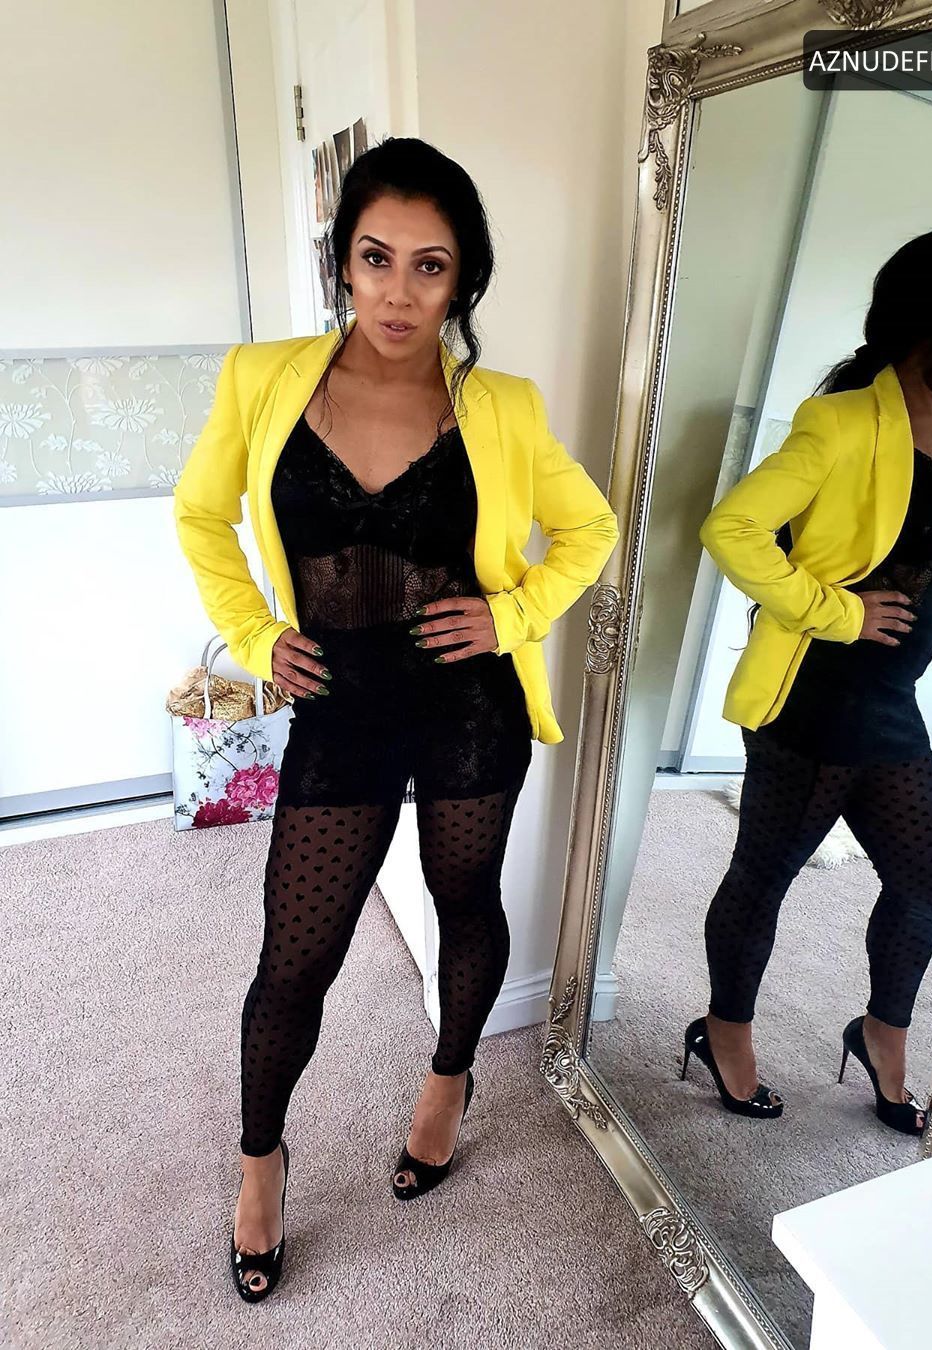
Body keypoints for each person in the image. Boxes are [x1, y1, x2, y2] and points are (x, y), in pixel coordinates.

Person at [173, 136, 619, 1301]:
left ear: (463, 279)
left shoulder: (502, 407)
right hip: (341, 709)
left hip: (467, 706)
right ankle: (260, 1161)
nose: (399, 293)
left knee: (465, 900)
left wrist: (512, 617)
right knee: (295, 959)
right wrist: (256, 634)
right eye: (377, 258)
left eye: (431, 266)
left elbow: (592, 531)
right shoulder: (262, 378)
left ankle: (448, 1078)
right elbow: (201, 515)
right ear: (344, 262)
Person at [682, 222, 932, 1136]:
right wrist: (838, 610)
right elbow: (731, 528)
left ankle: (879, 1033)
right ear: (931, 320)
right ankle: (725, 1031)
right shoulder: (839, 424)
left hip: (889, 701)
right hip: (813, 700)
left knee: (924, 875)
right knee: (765, 875)